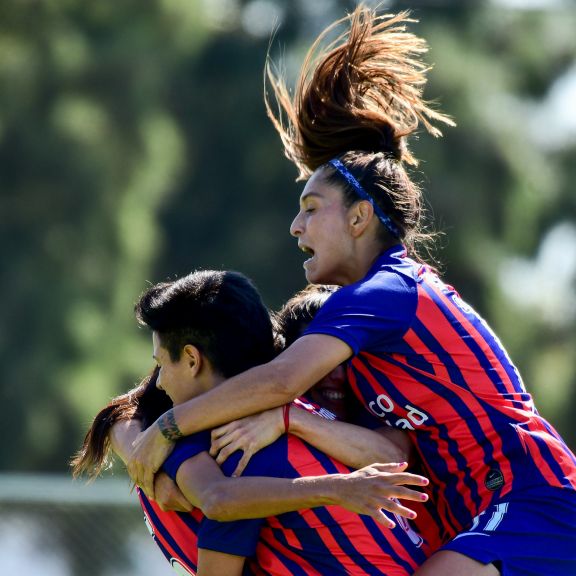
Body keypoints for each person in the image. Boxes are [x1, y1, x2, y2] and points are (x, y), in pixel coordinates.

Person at [126, 6, 576, 575]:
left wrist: (168, 429)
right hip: (473, 515)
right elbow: (387, 449)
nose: (296, 227)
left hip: (532, 496)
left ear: (361, 218)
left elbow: (279, 380)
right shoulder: (359, 327)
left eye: (311, 209)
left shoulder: (387, 290)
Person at [72, 270, 432, 575]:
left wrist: (337, 488)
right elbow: (128, 411)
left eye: (161, 364)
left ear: (192, 360)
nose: (160, 380)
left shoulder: (233, 450)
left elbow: (219, 500)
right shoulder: (278, 408)